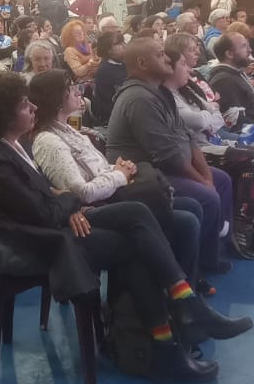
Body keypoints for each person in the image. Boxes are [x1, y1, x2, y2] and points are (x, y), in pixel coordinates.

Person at [0, 72, 249, 383]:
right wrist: (71, 203)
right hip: (36, 243)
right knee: (135, 242)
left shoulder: (10, 147)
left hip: (51, 225)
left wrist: (66, 202)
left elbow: (43, 197)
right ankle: (177, 320)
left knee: (137, 214)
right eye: (23, 105)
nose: (32, 107)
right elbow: (45, 209)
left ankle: (173, 325)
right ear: (3, 116)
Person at [29, 69, 202, 284]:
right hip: (97, 206)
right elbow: (82, 192)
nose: (77, 92)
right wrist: (120, 175)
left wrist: (119, 168)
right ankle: (177, 289)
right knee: (186, 221)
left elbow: (96, 169)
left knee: (191, 207)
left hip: (110, 195)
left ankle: (185, 285)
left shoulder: (67, 130)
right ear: (56, 99)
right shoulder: (49, 141)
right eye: (70, 88)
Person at [106, 37, 233, 273]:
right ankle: (189, 269)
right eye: (160, 54)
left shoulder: (160, 93)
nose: (167, 59)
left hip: (166, 170)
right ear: (142, 63)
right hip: (144, 178)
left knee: (221, 180)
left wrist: (206, 175)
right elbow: (167, 156)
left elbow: (188, 137)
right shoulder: (139, 98)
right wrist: (203, 181)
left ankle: (208, 257)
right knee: (208, 197)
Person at [163, 46, 227, 145]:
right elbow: (199, 122)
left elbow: (218, 117)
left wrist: (207, 118)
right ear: (169, 68)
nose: (188, 70)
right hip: (204, 147)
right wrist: (208, 113)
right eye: (183, 63)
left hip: (215, 139)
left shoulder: (186, 89)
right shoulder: (168, 99)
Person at [209, 33, 254, 125]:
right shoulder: (223, 81)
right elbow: (237, 122)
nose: (250, 50)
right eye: (244, 46)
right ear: (229, 54)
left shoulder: (235, 73)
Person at [91, 30, 126, 125]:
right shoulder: (105, 70)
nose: (124, 46)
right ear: (108, 50)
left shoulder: (124, 64)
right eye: (118, 44)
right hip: (114, 118)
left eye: (123, 42)